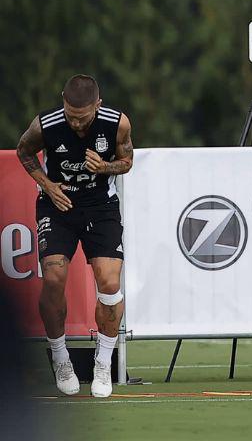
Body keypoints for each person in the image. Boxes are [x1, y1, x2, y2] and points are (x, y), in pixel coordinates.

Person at [17, 75, 134, 398]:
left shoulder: (117, 123)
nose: (76, 124)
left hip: (100, 206)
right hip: (59, 204)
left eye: (82, 118)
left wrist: (105, 167)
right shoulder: (47, 124)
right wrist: (47, 184)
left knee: (110, 283)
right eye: (70, 116)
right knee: (54, 277)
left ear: (97, 105)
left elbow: (127, 162)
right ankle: (60, 356)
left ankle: (103, 361)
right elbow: (23, 152)